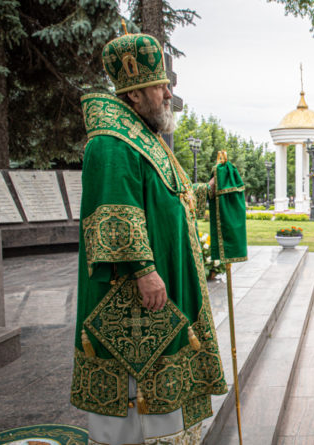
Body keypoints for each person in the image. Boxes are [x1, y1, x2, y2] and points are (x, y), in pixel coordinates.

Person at [72, 32, 226, 444]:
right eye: (160, 85)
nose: (168, 93)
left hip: (165, 290)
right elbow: (114, 211)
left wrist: (210, 191)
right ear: (135, 94)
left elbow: (170, 198)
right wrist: (144, 270)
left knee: (160, 388)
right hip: (135, 300)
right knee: (134, 394)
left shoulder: (144, 136)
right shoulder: (111, 142)